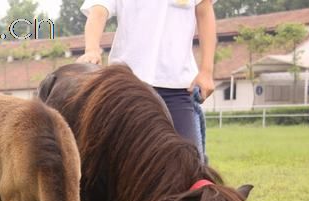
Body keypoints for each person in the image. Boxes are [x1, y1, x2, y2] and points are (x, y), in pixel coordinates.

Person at [77, 0, 217, 163]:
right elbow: (99, 10)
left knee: (191, 166)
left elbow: (204, 11)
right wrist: (92, 50)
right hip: (126, 87)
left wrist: (206, 72)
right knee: (113, 164)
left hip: (177, 88)